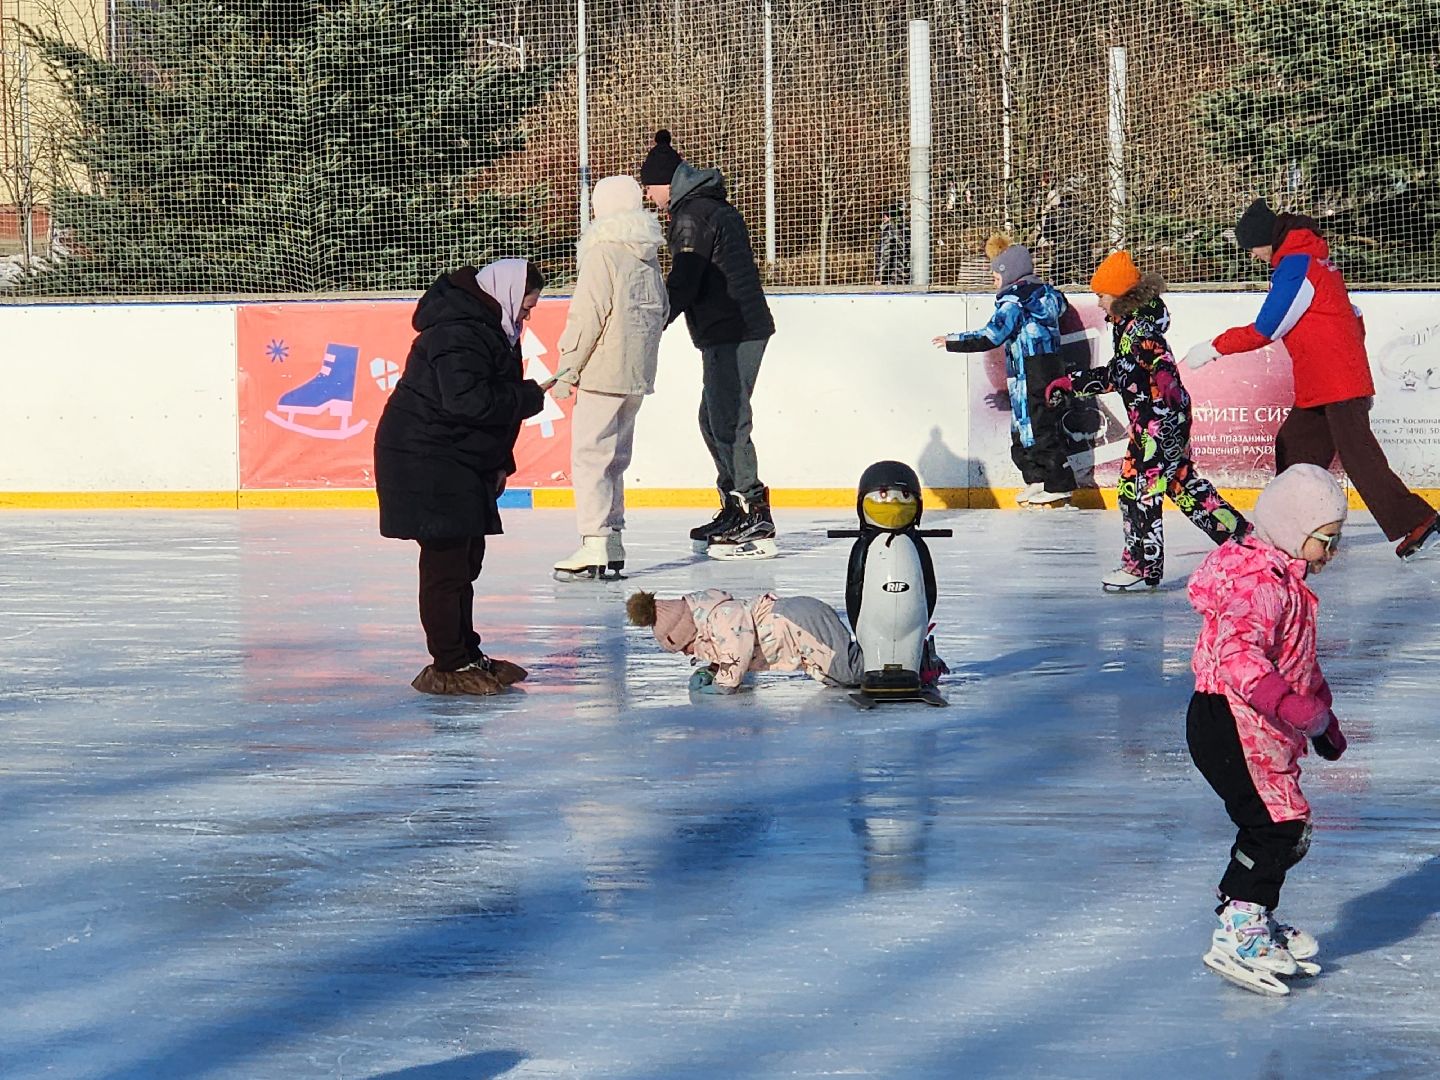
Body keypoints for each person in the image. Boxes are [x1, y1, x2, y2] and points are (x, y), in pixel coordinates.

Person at [1184, 199, 1440, 561]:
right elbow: (1354, 317)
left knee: (1359, 455)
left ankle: (1419, 520)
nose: (1255, 256)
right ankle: (1295, 525)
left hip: (1336, 383)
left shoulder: (1296, 265)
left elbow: (1267, 328)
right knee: (1295, 448)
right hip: (1324, 381)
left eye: (1253, 248)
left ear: (1264, 240)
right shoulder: (1316, 261)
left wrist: (1214, 347)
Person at [1186, 463, 1349, 996]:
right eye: (1326, 540)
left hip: (1262, 723)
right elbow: (1237, 655)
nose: (1331, 552)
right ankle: (1239, 927)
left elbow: (1301, 662)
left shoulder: (1290, 586)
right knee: (1275, 825)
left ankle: (1251, 913)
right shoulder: (1257, 585)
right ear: (1294, 530)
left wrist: (1323, 718)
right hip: (1227, 719)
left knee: (1287, 824)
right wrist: (1289, 704)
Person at [374, 259, 547, 695]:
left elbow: (486, 411)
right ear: (506, 295)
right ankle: (447, 663)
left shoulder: (490, 329)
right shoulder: (458, 331)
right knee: (446, 562)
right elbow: (467, 402)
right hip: (425, 457)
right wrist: (528, 396)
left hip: (456, 457)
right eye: (526, 307)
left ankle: (466, 652)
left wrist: (499, 465)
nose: (526, 316)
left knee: (466, 560)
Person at [1045, 250, 1246, 591]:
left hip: (1159, 422)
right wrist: (1072, 383)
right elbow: (1119, 373)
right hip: (1159, 420)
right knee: (1183, 485)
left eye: (1101, 296)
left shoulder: (1138, 328)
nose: (1098, 303)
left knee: (1137, 491)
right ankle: (1243, 541)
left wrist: (1165, 379)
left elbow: (1158, 357)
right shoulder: (1128, 324)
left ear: (1120, 296)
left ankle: (1142, 566)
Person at [640, 130, 778, 556]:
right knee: (713, 418)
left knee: (728, 420)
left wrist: (651, 323)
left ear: (666, 183)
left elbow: (685, 278)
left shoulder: (692, 214)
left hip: (732, 329)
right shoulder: (708, 206)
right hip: (733, 326)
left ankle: (754, 514)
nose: (648, 195)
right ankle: (734, 506)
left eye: (649, 186)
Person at [549, 175, 670, 580]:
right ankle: (614, 538)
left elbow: (588, 315)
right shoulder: (646, 254)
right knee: (615, 458)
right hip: (636, 372)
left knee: (590, 457)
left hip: (603, 370)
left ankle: (594, 541)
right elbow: (662, 309)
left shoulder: (603, 253)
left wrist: (568, 368)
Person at [933, 235, 1076, 507]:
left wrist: (953, 340)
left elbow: (992, 335)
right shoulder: (1047, 293)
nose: (993, 280)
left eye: (995, 274)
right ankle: (1038, 480)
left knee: (1035, 427)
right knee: (1027, 426)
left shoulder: (1014, 300)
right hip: (1048, 366)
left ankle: (1058, 483)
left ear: (1008, 273)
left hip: (1031, 368)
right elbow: (1062, 305)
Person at [625, 588, 865, 693]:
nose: (688, 653)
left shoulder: (721, 616)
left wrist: (723, 684)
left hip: (798, 621)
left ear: (689, 633)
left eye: (684, 647)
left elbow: (737, 648)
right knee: (836, 677)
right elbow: (727, 651)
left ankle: (893, 658)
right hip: (797, 635)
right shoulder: (710, 623)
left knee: (849, 671)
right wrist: (713, 669)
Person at [874, 207, 909, 286]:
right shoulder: (905, 229)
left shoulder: (889, 230)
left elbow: (886, 256)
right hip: (903, 276)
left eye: (885, 215)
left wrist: (879, 277)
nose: (883, 218)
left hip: (890, 279)